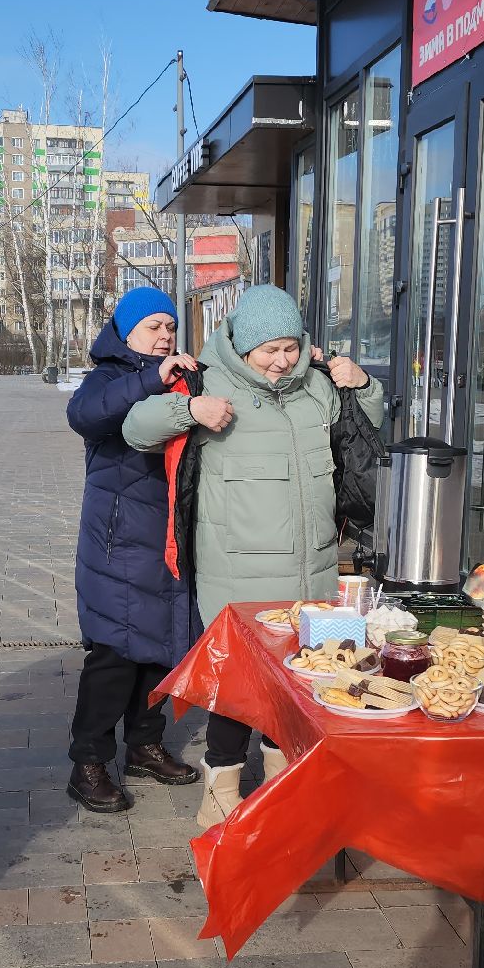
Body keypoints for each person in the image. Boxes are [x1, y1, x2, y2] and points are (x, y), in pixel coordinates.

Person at [123, 284, 383, 829]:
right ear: (242, 345)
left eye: (289, 347)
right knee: (239, 686)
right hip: (236, 568)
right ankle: (220, 785)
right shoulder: (207, 380)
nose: (281, 360)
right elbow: (136, 428)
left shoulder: (317, 386)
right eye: (269, 350)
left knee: (294, 684)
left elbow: (366, 427)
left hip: (311, 567)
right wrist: (188, 407)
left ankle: (279, 785)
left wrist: (364, 384)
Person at [62, 286, 204, 812]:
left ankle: (144, 743)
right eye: (153, 327)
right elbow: (85, 415)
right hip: (118, 541)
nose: (165, 335)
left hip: (166, 538)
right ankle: (88, 761)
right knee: (114, 655)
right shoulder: (108, 378)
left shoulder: (179, 376)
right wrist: (152, 377)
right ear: (125, 331)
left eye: (169, 326)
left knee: (160, 650)